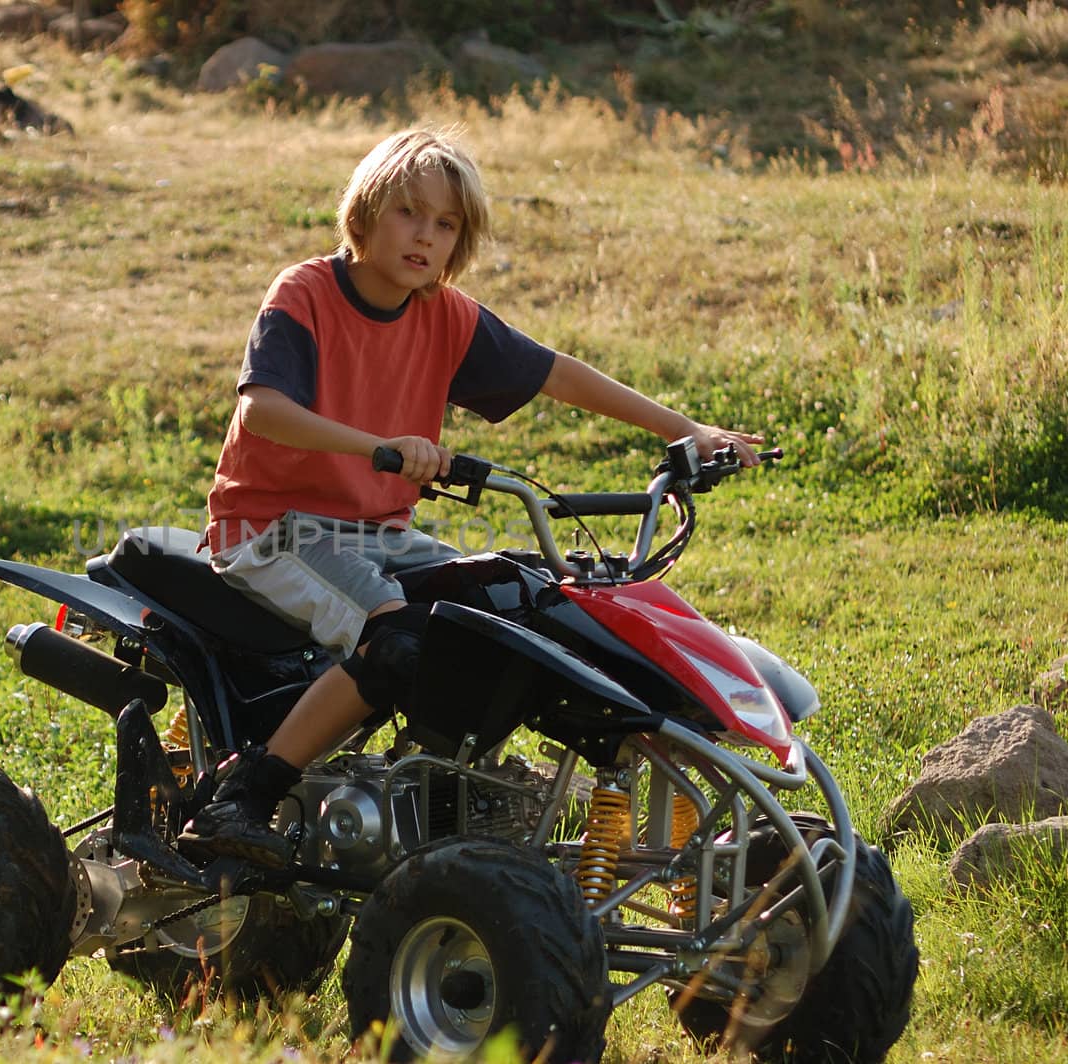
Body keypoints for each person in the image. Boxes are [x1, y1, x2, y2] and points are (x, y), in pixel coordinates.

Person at [178, 128, 762, 867]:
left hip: (378, 533)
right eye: (408, 213)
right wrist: (380, 447)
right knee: (397, 638)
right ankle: (247, 797)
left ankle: (441, 793)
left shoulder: (446, 317)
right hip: (274, 530)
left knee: (511, 602)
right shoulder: (306, 294)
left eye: (446, 224)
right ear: (366, 211)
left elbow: (559, 375)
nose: (425, 237)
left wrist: (687, 430)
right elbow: (262, 409)